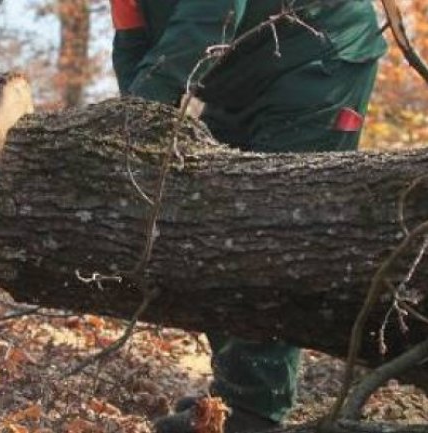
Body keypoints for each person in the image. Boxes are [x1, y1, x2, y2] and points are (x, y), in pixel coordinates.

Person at [108, 1, 387, 432]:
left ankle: (254, 412)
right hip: (238, 70)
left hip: (316, 52)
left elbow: (212, 12)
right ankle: (234, 394)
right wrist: (131, 129)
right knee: (210, 218)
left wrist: (143, 109)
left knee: (273, 227)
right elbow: (132, 41)